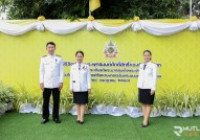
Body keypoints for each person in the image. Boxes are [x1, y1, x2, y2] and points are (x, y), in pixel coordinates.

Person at [40, 41, 64, 124]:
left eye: (52, 47)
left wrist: (61, 82)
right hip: (46, 83)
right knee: (45, 101)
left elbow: (61, 71)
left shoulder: (59, 58)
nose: (51, 49)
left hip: (56, 84)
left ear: (55, 48)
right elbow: (41, 71)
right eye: (49, 47)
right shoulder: (43, 59)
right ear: (46, 49)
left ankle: (56, 117)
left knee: (56, 101)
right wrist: (41, 82)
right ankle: (45, 117)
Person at [70, 50, 91, 124]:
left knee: (82, 103)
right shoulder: (72, 67)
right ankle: (78, 116)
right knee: (77, 103)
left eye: (81, 56)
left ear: (83, 57)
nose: (79, 58)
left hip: (84, 88)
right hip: (76, 88)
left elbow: (88, 77)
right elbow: (71, 78)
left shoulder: (86, 67)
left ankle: (81, 117)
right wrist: (71, 87)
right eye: (78, 56)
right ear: (76, 57)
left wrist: (89, 87)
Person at [137, 50, 157, 127]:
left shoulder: (153, 66)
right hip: (141, 87)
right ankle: (145, 118)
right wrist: (138, 85)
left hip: (149, 87)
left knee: (148, 104)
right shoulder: (141, 65)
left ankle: (145, 121)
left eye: (148, 55)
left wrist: (153, 88)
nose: (146, 56)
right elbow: (140, 76)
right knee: (143, 103)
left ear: (150, 56)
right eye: (145, 55)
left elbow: (154, 77)